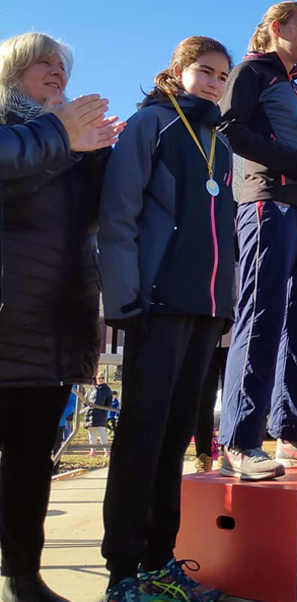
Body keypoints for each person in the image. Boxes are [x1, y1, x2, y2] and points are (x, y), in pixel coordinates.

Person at [98, 36, 236, 602]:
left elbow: (225, 235)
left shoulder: (220, 147)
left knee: (179, 436)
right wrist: (123, 299)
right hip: (154, 306)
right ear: (177, 71)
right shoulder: (149, 125)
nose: (213, 83)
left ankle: (160, 561)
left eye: (223, 76)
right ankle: (122, 573)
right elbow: (118, 214)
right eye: (204, 71)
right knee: (142, 435)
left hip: (205, 311)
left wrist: (224, 305)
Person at [0, 32, 121, 602]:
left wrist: (96, 156)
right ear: (14, 70)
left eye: (63, 66)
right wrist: (60, 134)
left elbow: (94, 222)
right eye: (43, 63)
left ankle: (22, 576)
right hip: (7, 315)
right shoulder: (11, 125)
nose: (57, 72)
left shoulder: (66, 141)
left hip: (49, 324)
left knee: (30, 465)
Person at [218, 2, 297, 479]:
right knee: (262, 315)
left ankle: (292, 435)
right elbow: (232, 130)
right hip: (266, 202)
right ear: (276, 29)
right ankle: (240, 440)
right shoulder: (253, 71)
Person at [194, 335, 229, 472]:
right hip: (205, 339)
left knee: (230, 401)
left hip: (234, 340)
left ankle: (226, 453)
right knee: (202, 401)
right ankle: (203, 455)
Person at [85, 375, 112, 458]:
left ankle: (107, 451)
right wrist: (86, 409)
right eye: (99, 377)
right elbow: (85, 401)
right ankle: (93, 451)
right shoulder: (91, 389)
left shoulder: (107, 390)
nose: (100, 379)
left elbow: (108, 403)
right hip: (90, 414)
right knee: (91, 434)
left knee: (102, 433)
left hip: (101, 414)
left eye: (102, 377)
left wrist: (104, 411)